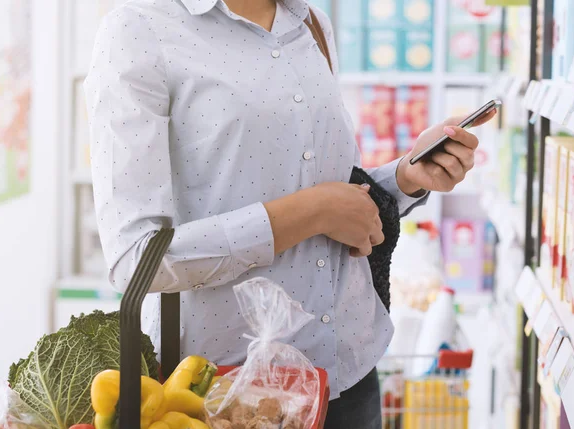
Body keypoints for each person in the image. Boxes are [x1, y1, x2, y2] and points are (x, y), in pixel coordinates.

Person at [84, 0, 496, 427]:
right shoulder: (139, 30)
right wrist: (310, 213)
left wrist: (406, 175)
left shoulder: (311, 23)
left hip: (348, 376)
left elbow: (334, 186)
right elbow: (136, 260)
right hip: (223, 397)